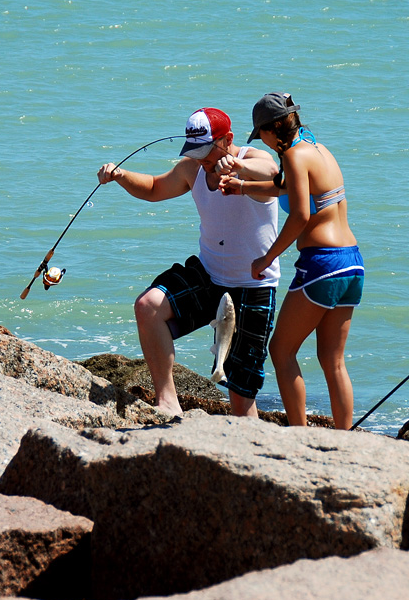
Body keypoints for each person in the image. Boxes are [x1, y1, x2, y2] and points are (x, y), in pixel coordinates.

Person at [97, 107, 281, 417]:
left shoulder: (254, 159)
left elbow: (274, 175)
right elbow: (155, 188)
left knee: (240, 393)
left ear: (227, 140)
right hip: (208, 276)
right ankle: (168, 402)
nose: (201, 160)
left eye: (207, 152)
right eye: (195, 152)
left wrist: (238, 165)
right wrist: (120, 176)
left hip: (253, 285)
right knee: (148, 306)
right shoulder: (192, 169)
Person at [221, 93, 363, 430]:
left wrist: (266, 258)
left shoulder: (296, 156)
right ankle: (346, 439)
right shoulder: (316, 149)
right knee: (333, 360)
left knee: (281, 351)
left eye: (262, 136)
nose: (265, 144)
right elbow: (287, 187)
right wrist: (242, 186)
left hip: (322, 265)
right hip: (352, 263)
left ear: (271, 130)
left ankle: (299, 436)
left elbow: (299, 215)